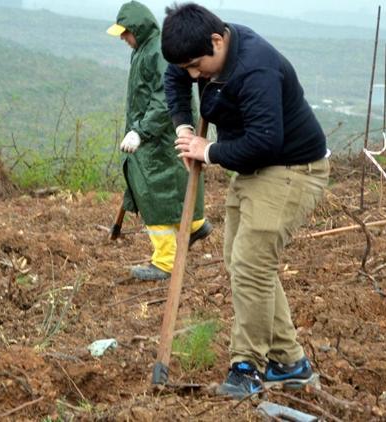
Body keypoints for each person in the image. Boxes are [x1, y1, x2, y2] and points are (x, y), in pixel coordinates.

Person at [161, 3, 329, 398]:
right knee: (242, 262)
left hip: (291, 168)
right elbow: (175, 77)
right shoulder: (197, 50)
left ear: (218, 41)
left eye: (197, 65)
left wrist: (209, 151)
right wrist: (185, 128)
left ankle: (247, 367)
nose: (193, 74)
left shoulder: (256, 67)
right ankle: (290, 363)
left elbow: (265, 140)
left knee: (252, 264)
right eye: (187, 66)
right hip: (255, 167)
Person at [106, 1, 212, 281]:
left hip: (158, 135)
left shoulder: (156, 52)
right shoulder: (144, 49)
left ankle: (164, 262)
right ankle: (196, 225)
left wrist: (140, 131)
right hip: (153, 135)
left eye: (125, 33)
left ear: (138, 29)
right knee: (166, 189)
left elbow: (163, 98)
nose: (122, 38)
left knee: (153, 196)